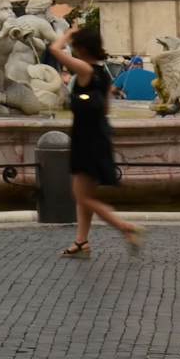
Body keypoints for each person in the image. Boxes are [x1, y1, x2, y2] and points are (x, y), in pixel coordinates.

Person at [47, 25, 142, 257]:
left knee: (81, 196)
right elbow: (106, 108)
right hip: (97, 135)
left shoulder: (84, 69)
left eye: (76, 46)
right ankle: (82, 242)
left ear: (81, 47)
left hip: (86, 138)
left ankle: (126, 227)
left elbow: (54, 50)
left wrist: (68, 34)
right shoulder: (102, 73)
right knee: (85, 195)